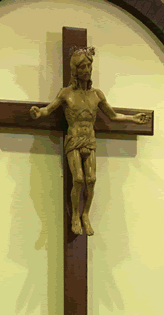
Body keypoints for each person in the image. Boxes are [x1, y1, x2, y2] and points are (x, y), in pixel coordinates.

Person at [30, 47, 151, 236]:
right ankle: (75, 216)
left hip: (90, 139)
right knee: (78, 178)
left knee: (92, 179)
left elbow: (113, 115)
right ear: (75, 70)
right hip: (74, 138)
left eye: (89, 66)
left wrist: (133, 119)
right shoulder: (66, 94)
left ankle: (86, 214)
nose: (87, 70)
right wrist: (39, 112)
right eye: (83, 67)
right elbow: (49, 109)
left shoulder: (97, 95)